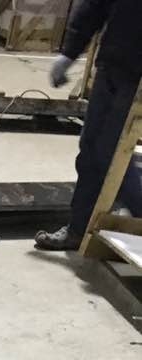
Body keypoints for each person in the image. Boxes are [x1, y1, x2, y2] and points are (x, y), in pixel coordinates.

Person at [34, 0, 142, 251]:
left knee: (112, 155)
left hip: (136, 80)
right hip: (111, 65)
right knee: (90, 150)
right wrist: (69, 53)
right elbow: (94, 6)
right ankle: (78, 230)